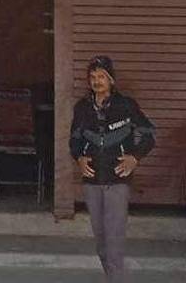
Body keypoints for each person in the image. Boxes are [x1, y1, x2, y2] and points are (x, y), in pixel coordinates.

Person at [69, 55, 156, 283]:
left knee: (114, 239)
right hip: (92, 181)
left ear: (111, 80)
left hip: (118, 180)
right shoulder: (82, 108)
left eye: (102, 77)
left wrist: (135, 158)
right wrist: (79, 158)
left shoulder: (126, 106)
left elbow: (149, 135)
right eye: (93, 77)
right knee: (101, 242)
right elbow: (74, 141)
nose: (97, 81)